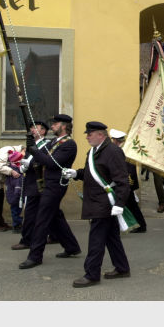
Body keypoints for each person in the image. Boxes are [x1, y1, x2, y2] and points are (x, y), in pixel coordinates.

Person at [63, 122, 132, 287]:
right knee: (111, 237)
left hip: (104, 203)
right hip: (96, 200)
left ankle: (92, 274)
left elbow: (122, 180)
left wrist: (120, 203)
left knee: (96, 239)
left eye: (90, 133)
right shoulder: (94, 151)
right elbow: (92, 173)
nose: (87, 136)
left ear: (101, 135)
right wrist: (76, 173)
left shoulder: (113, 151)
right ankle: (122, 268)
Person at [19, 114, 81, 269]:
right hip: (45, 184)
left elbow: (51, 163)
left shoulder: (69, 144)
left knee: (42, 219)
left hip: (55, 186)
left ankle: (35, 256)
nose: (52, 125)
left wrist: (33, 150)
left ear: (64, 126)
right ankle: (72, 247)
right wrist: (31, 153)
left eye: (56, 123)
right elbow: (41, 159)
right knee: (55, 217)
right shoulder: (54, 141)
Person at [109, 128, 147, 233]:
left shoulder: (124, 151)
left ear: (116, 140)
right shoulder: (124, 149)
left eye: (113, 140)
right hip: (124, 183)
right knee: (129, 205)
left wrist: (128, 185)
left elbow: (129, 169)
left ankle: (141, 226)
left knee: (130, 205)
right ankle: (140, 225)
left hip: (125, 184)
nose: (112, 142)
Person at [5, 150, 25, 233]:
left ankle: (17, 224)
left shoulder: (11, 170)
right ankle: (16, 226)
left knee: (15, 211)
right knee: (16, 212)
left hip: (13, 196)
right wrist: (18, 196)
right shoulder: (16, 172)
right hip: (16, 197)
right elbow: (17, 186)